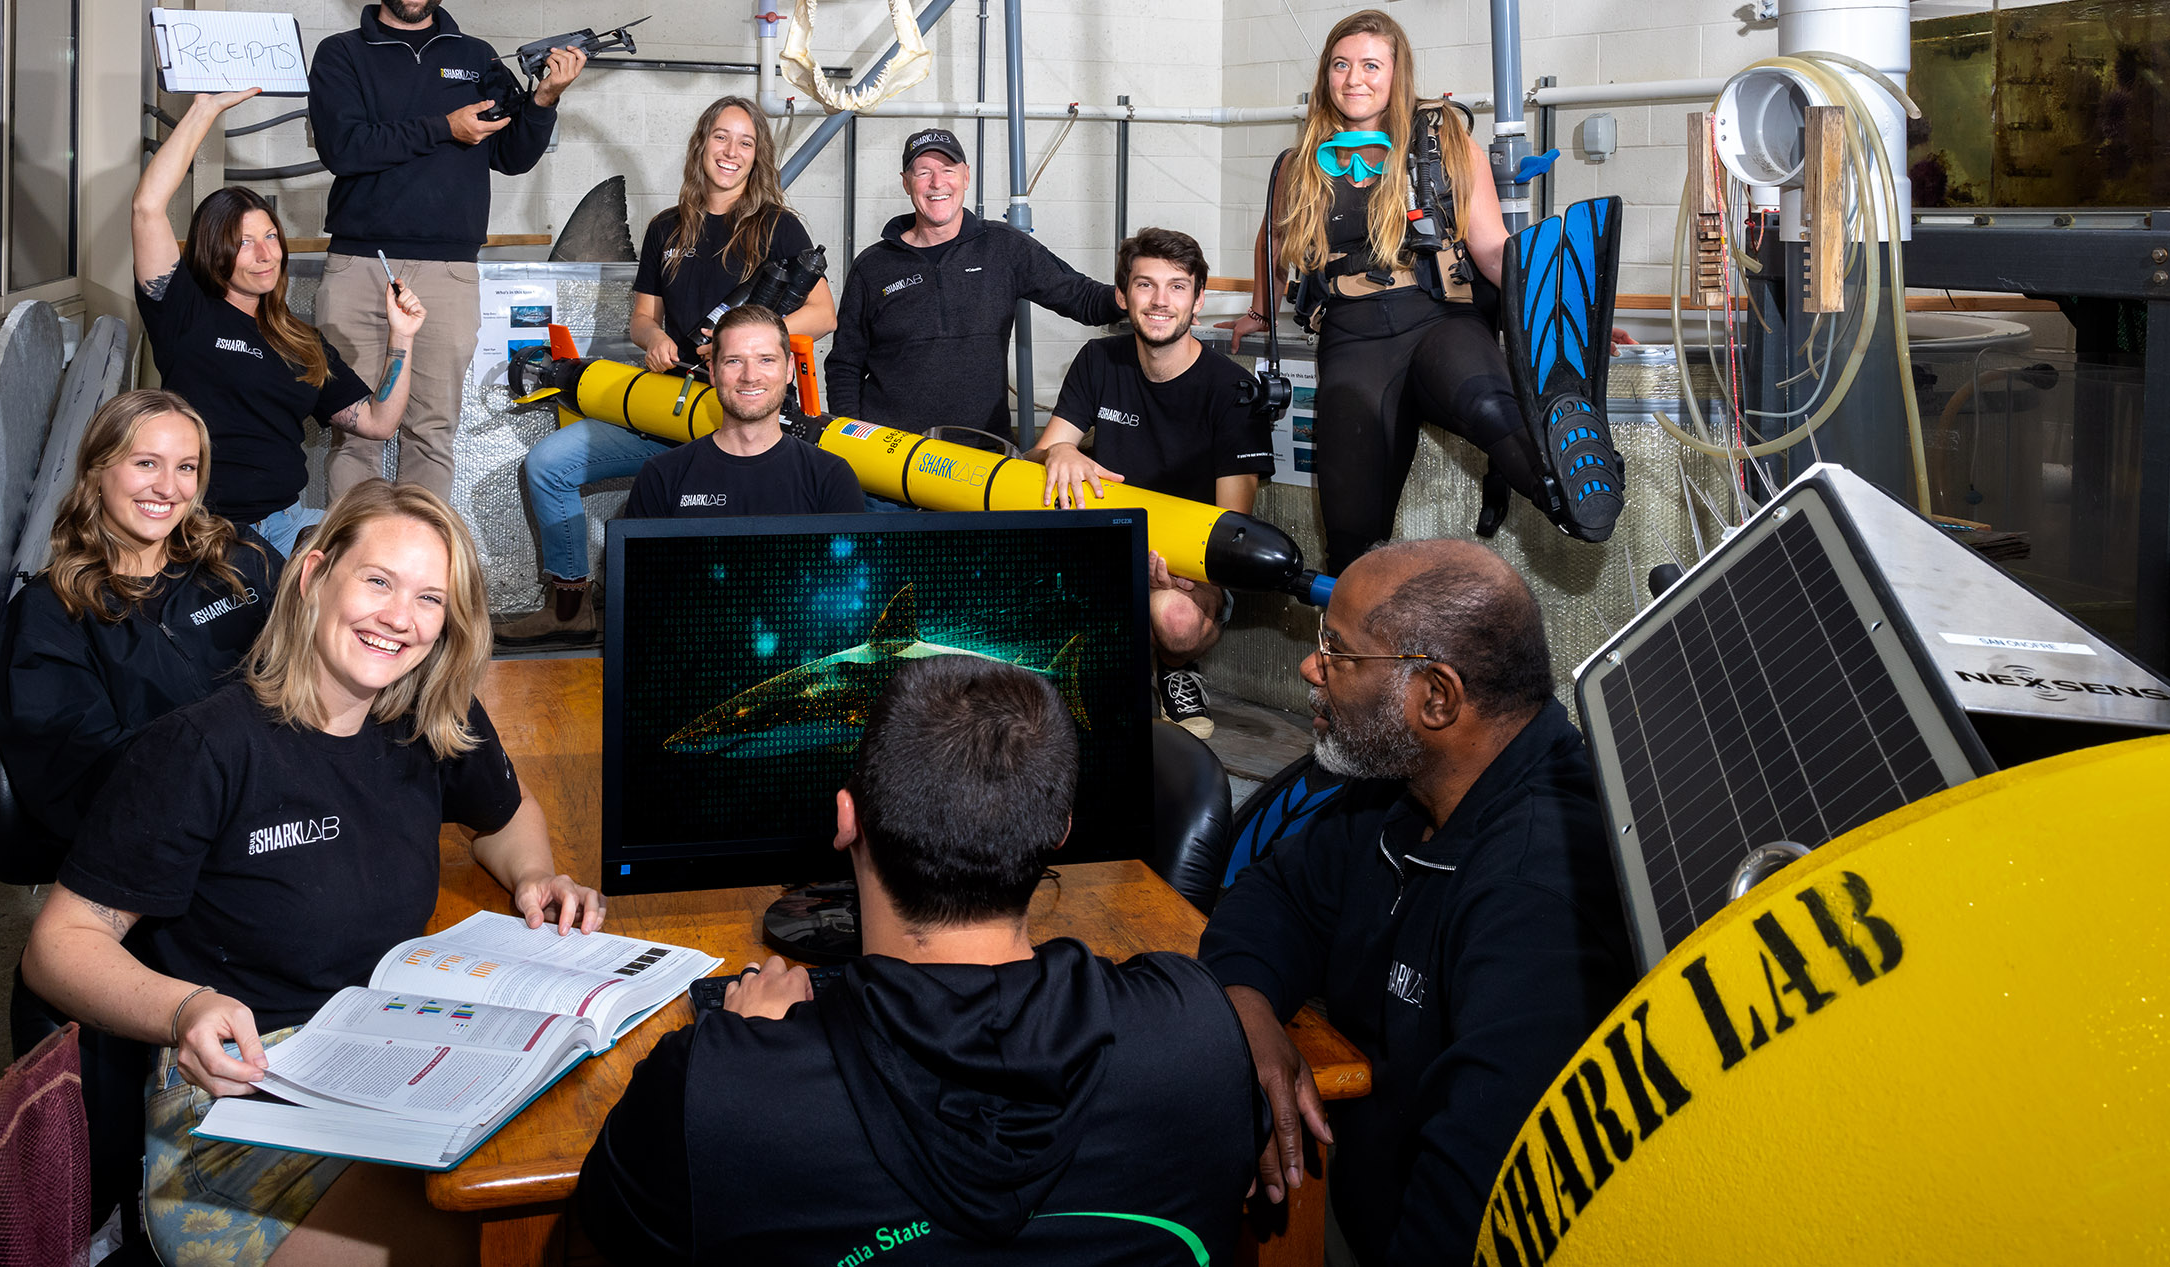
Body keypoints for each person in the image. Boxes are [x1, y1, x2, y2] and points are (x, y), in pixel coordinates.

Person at [26, 480, 605, 1267]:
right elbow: (59, 941)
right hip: (242, 1098)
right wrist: (182, 1006)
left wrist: (536, 874)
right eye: (378, 581)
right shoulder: (204, 747)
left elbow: (504, 816)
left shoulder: (429, 715)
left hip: (393, 1061)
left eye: (429, 597)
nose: (399, 617)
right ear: (313, 576)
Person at [576, 655, 1260, 1264]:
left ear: (847, 818)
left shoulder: (715, 1090)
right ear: (1060, 829)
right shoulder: (1198, 1031)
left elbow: (601, 1228)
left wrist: (748, 1045)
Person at [1198, 539, 1631, 1267]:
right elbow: (1273, 897)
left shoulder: (1538, 896)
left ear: (1436, 696)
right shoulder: (1403, 784)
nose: (1312, 667)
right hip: (1355, 1186)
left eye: (1337, 650)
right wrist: (1246, 1009)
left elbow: (1475, 1204)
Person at [495, 95, 837, 647]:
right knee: (548, 464)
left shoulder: (778, 227)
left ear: (758, 157)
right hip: (663, 407)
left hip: (733, 418)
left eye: (745, 142)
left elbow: (822, 314)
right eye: (721, 138)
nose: (731, 152)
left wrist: (740, 345)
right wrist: (653, 338)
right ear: (702, 144)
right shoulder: (667, 228)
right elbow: (642, 318)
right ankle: (568, 606)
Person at [1231, 10, 1556, 575]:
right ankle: (1355, 646)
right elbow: (1273, 234)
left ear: (1396, 71)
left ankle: (1572, 490)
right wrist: (1261, 310)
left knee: (1494, 413)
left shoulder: (1443, 138)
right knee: (1351, 539)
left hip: (1438, 319)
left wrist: (1557, 307)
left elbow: (1491, 248)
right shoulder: (1299, 161)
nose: (1355, 78)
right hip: (1352, 337)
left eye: (1370, 65)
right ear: (1325, 75)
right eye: (1341, 65)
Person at [308, 0, 591, 505]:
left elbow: (512, 155)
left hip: (449, 272)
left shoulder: (477, 57)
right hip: (362, 266)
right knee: (353, 432)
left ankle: (419, 578)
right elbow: (345, 148)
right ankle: (350, 577)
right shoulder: (342, 55)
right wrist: (444, 126)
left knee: (432, 433)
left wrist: (543, 100)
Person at [133, 88, 425, 558]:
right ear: (215, 251)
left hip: (286, 525)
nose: (266, 253)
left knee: (392, 551)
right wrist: (205, 109)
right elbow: (148, 207)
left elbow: (376, 421)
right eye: (246, 242)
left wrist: (402, 337)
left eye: (270, 236)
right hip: (206, 530)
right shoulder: (184, 311)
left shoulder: (300, 341)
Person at [0, 389, 280, 846]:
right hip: (172, 840)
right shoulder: (52, 613)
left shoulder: (240, 558)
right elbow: (81, 775)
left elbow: (315, 664)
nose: (169, 488)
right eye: (146, 463)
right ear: (96, 470)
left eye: (186, 467)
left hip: (294, 807)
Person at [1033, 227, 1275, 739]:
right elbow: (1041, 453)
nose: (1160, 301)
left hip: (1188, 568)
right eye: (1145, 285)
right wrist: (1059, 450)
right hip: (1104, 547)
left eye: (1177, 286)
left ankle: (1175, 670)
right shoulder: (1100, 361)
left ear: (1198, 299)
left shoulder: (1232, 390)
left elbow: (1234, 524)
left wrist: (1185, 570)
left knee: (1175, 618)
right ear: (1122, 296)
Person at [825, 127, 1122, 442]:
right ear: (906, 182)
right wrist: (852, 441)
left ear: (966, 176)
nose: (937, 183)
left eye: (948, 170)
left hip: (980, 452)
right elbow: (845, 365)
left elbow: (1081, 297)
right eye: (923, 172)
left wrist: (1135, 295)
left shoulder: (1004, 248)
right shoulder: (873, 266)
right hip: (892, 455)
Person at [624, 305, 865, 520]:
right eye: (734, 361)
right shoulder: (662, 476)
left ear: (789, 369)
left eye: (766, 360)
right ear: (713, 373)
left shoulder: (830, 478)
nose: (750, 376)